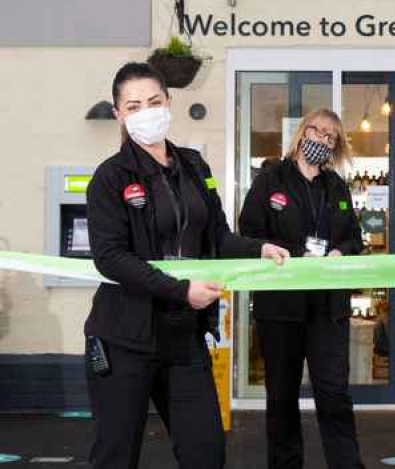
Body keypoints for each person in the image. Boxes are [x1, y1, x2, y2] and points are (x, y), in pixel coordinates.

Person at [84, 62, 289, 469]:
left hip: (184, 338)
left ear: (169, 102)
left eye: (155, 101)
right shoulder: (109, 178)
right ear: (119, 112)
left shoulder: (195, 167)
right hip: (125, 337)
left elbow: (217, 237)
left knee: (205, 453)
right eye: (135, 105)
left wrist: (258, 248)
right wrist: (182, 291)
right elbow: (110, 258)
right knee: (115, 456)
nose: (147, 112)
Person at [238, 108, 366, 469]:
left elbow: (354, 238)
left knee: (334, 395)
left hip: (329, 309)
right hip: (281, 308)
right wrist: (285, 253)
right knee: (281, 397)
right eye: (318, 132)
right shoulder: (270, 180)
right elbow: (248, 232)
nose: (323, 140)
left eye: (331, 137)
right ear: (302, 133)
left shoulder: (336, 186)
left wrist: (341, 250)